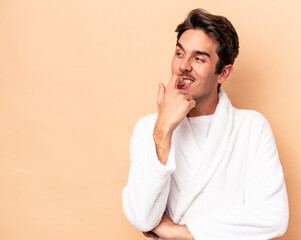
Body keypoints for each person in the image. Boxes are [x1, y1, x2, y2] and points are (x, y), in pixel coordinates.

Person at [122, 8, 289, 240]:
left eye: (198, 58)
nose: (184, 66)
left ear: (223, 73)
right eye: (180, 54)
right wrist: (163, 131)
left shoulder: (252, 128)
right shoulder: (148, 128)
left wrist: (179, 232)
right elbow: (141, 217)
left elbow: (273, 218)